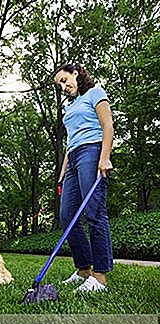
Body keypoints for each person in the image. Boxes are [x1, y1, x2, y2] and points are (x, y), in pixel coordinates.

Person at [54, 63, 114, 292]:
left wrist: (104, 157)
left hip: (92, 151)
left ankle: (99, 278)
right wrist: (63, 171)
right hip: (74, 158)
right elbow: (71, 142)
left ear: (75, 73)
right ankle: (83, 271)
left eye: (64, 79)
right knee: (67, 215)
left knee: (94, 212)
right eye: (60, 84)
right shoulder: (69, 108)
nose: (64, 86)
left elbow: (107, 125)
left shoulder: (95, 93)